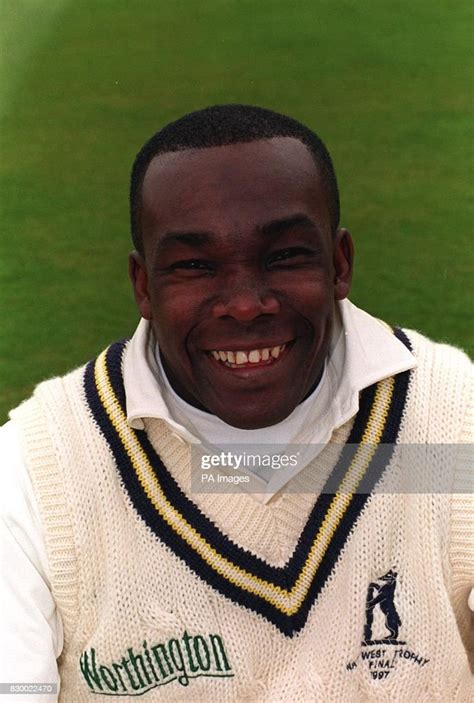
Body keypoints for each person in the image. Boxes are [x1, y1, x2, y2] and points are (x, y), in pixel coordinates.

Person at [0, 104, 472, 702]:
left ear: (340, 264)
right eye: (195, 266)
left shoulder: (455, 423)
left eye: (284, 256)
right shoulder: (37, 470)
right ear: (144, 285)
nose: (245, 305)